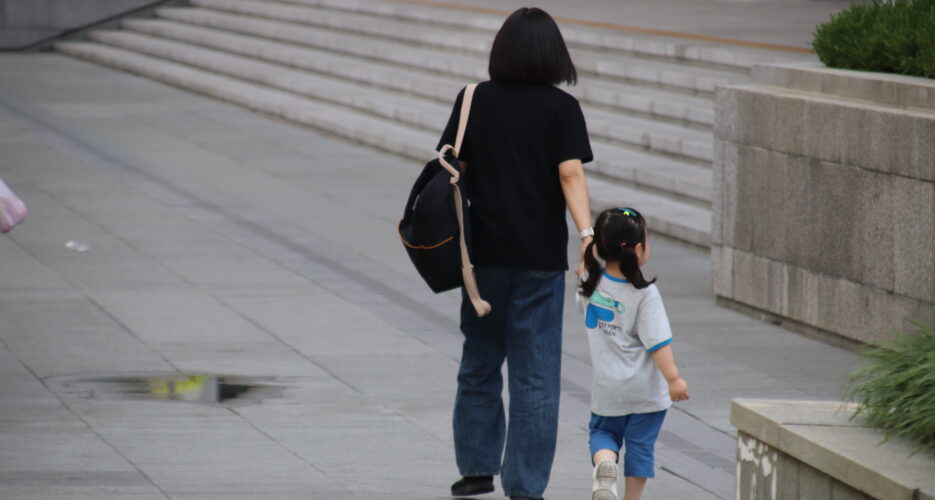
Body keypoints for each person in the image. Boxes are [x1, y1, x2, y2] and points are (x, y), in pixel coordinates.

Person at [436, 7, 594, 500]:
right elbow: (570, 175)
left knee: (480, 359)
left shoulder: (472, 100)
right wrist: (587, 236)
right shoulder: (561, 109)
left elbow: (450, 168)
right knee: (536, 374)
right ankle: (525, 486)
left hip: (480, 257)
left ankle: (477, 469)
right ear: (554, 54)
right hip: (540, 259)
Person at [576, 207, 689, 500]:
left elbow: (584, 265)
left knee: (603, 436)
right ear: (639, 248)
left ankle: (604, 464)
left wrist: (587, 244)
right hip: (645, 394)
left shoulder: (588, 284)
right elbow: (658, 344)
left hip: (607, 390)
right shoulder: (644, 294)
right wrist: (674, 378)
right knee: (640, 448)